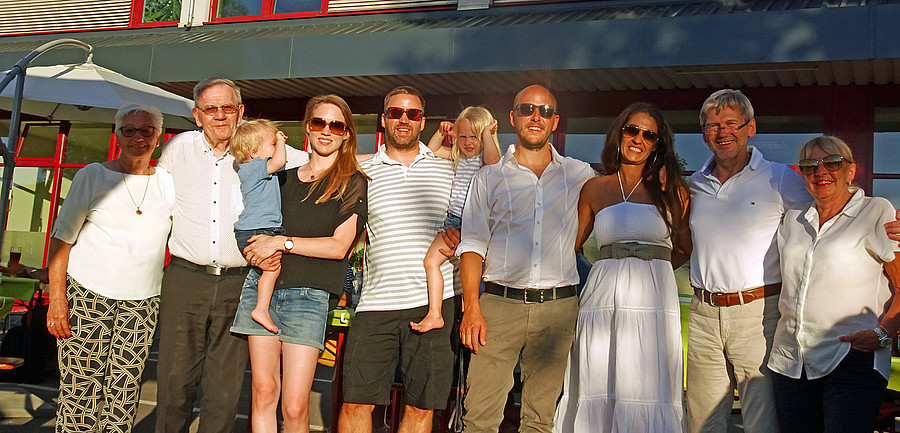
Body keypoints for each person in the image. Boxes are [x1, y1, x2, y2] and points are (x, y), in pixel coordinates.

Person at [155, 77, 309, 433]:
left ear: (240, 112)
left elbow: (320, 162)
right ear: (197, 115)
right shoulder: (179, 149)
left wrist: (382, 160)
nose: (220, 115)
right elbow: (151, 198)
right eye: (211, 108)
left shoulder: (261, 147)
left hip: (240, 282)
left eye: (228, 107)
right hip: (185, 278)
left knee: (224, 391)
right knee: (174, 382)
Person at [457, 84, 595, 433]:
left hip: (557, 310)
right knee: (479, 419)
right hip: (499, 308)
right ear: (512, 117)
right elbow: (472, 245)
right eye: (527, 109)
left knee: (540, 421)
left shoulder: (580, 175)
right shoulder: (488, 178)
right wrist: (471, 307)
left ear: (555, 121)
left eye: (545, 111)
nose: (536, 117)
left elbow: (622, 194)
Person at [553, 102, 691, 432]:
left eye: (649, 134)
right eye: (632, 130)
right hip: (602, 299)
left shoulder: (671, 190)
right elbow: (566, 248)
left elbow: (684, 248)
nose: (638, 139)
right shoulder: (595, 188)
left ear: (658, 144)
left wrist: (647, 271)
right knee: (599, 376)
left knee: (646, 382)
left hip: (652, 303)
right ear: (619, 134)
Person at [236, 95, 368, 433]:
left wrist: (283, 243)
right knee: (263, 393)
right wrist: (252, 250)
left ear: (346, 134)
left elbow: (339, 246)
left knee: (294, 407)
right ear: (307, 128)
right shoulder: (282, 178)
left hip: (308, 299)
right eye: (318, 122)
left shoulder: (353, 183)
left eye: (335, 124)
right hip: (261, 291)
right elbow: (255, 226)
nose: (326, 130)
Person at [337, 86, 460, 433]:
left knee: (422, 407)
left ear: (423, 122)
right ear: (383, 119)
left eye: (413, 113)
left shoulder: (448, 170)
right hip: (376, 303)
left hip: (434, 303)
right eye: (395, 112)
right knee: (355, 402)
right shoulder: (360, 171)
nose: (404, 119)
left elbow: (485, 205)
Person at [47, 104, 174, 433]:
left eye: (147, 130)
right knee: (80, 393)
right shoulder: (92, 175)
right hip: (88, 298)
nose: (138, 137)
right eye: (129, 130)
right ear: (117, 135)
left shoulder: (167, 184)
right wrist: (57, 301)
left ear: (158, 137)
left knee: (124, 395)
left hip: (142, 304)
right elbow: (62, 242)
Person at [768, 136, 900, 433]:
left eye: (832, 163)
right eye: (809, 165)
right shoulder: (793, 220)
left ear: (851, 171)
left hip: (852, 357)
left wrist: (883, 333)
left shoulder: (876, 212)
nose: (820, 171)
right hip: (792, 360)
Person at [413, 106, 501, 332]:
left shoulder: (485, 159)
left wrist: (487, 136)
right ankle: (436, 313)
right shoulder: (459, 157)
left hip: (473, 220)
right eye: (462, 137)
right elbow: (432, 151)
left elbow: (493, 162)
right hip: (454, 220)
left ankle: (461, 310)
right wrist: (442, 133)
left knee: (471, 268)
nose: (468, 142)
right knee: (431, 261)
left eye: (474, 137)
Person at [230, 119, 288, 333]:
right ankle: (261, 309)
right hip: (258, 229)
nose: (276, 147)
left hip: (257, 228)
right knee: (272, 268)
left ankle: (261, 307)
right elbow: (280, 160)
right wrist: (281, 142)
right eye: (271, 144)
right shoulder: (254, 167)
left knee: (269, 269)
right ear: (254, 152)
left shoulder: (253, 168)